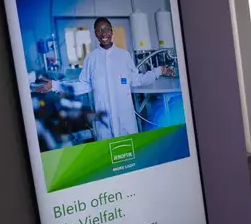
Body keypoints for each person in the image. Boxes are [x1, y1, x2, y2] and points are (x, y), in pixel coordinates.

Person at [35, 17, 171, 140]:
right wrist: (55, 85)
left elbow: (136, 79)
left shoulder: (124, 55)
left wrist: (158, 71)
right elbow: (83, 84)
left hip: (126, 121)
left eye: (106, 29)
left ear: (112, 32)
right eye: (99, 30)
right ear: (95, 34)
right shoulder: (91, 58)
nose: (103, 33)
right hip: (103, 122)